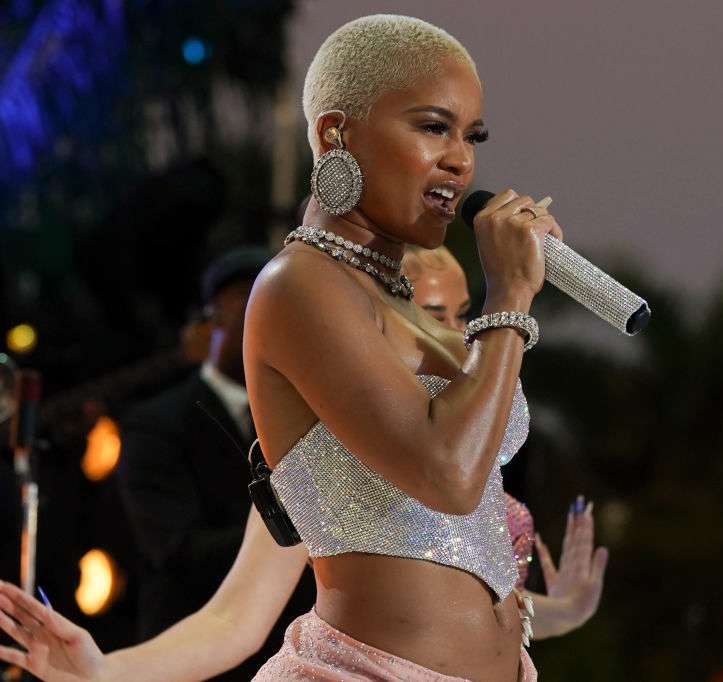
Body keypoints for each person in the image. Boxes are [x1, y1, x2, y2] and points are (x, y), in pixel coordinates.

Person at [1, 14, 584, 680]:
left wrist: (555, 611)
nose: (461, 159)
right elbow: (447, 474)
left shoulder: (403, 310)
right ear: (336, 133)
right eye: (433, 127)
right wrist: (509, 298)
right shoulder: (298, 288)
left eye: (472, 136)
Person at [0, 244, 608, 681]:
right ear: (372, 324)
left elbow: (473, 610)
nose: (455, 336)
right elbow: (235, 619)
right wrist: (104, 671)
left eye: (462, 312)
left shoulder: (472, 436)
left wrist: (565, 611)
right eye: (430, 313)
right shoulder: (325, 450)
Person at [115, 246, 316, 679]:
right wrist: (306, 529)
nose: (272, 322)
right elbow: (175, 549)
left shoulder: (314, 418)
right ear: (214, 318)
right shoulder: (155, 424)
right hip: (192, 653)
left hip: (297, 651)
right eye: (251, 303)